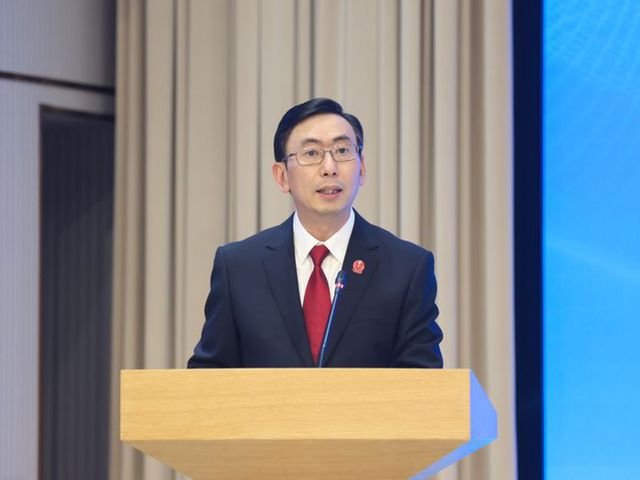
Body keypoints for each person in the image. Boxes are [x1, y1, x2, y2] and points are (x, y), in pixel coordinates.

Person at [188, 98, 443, 368]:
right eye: (311, 153)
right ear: (282, 176)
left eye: (342, 150)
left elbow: (422, 380)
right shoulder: (239, 267)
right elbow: (209, 374)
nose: (329, 168)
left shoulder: (407, 268)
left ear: (361, 168)